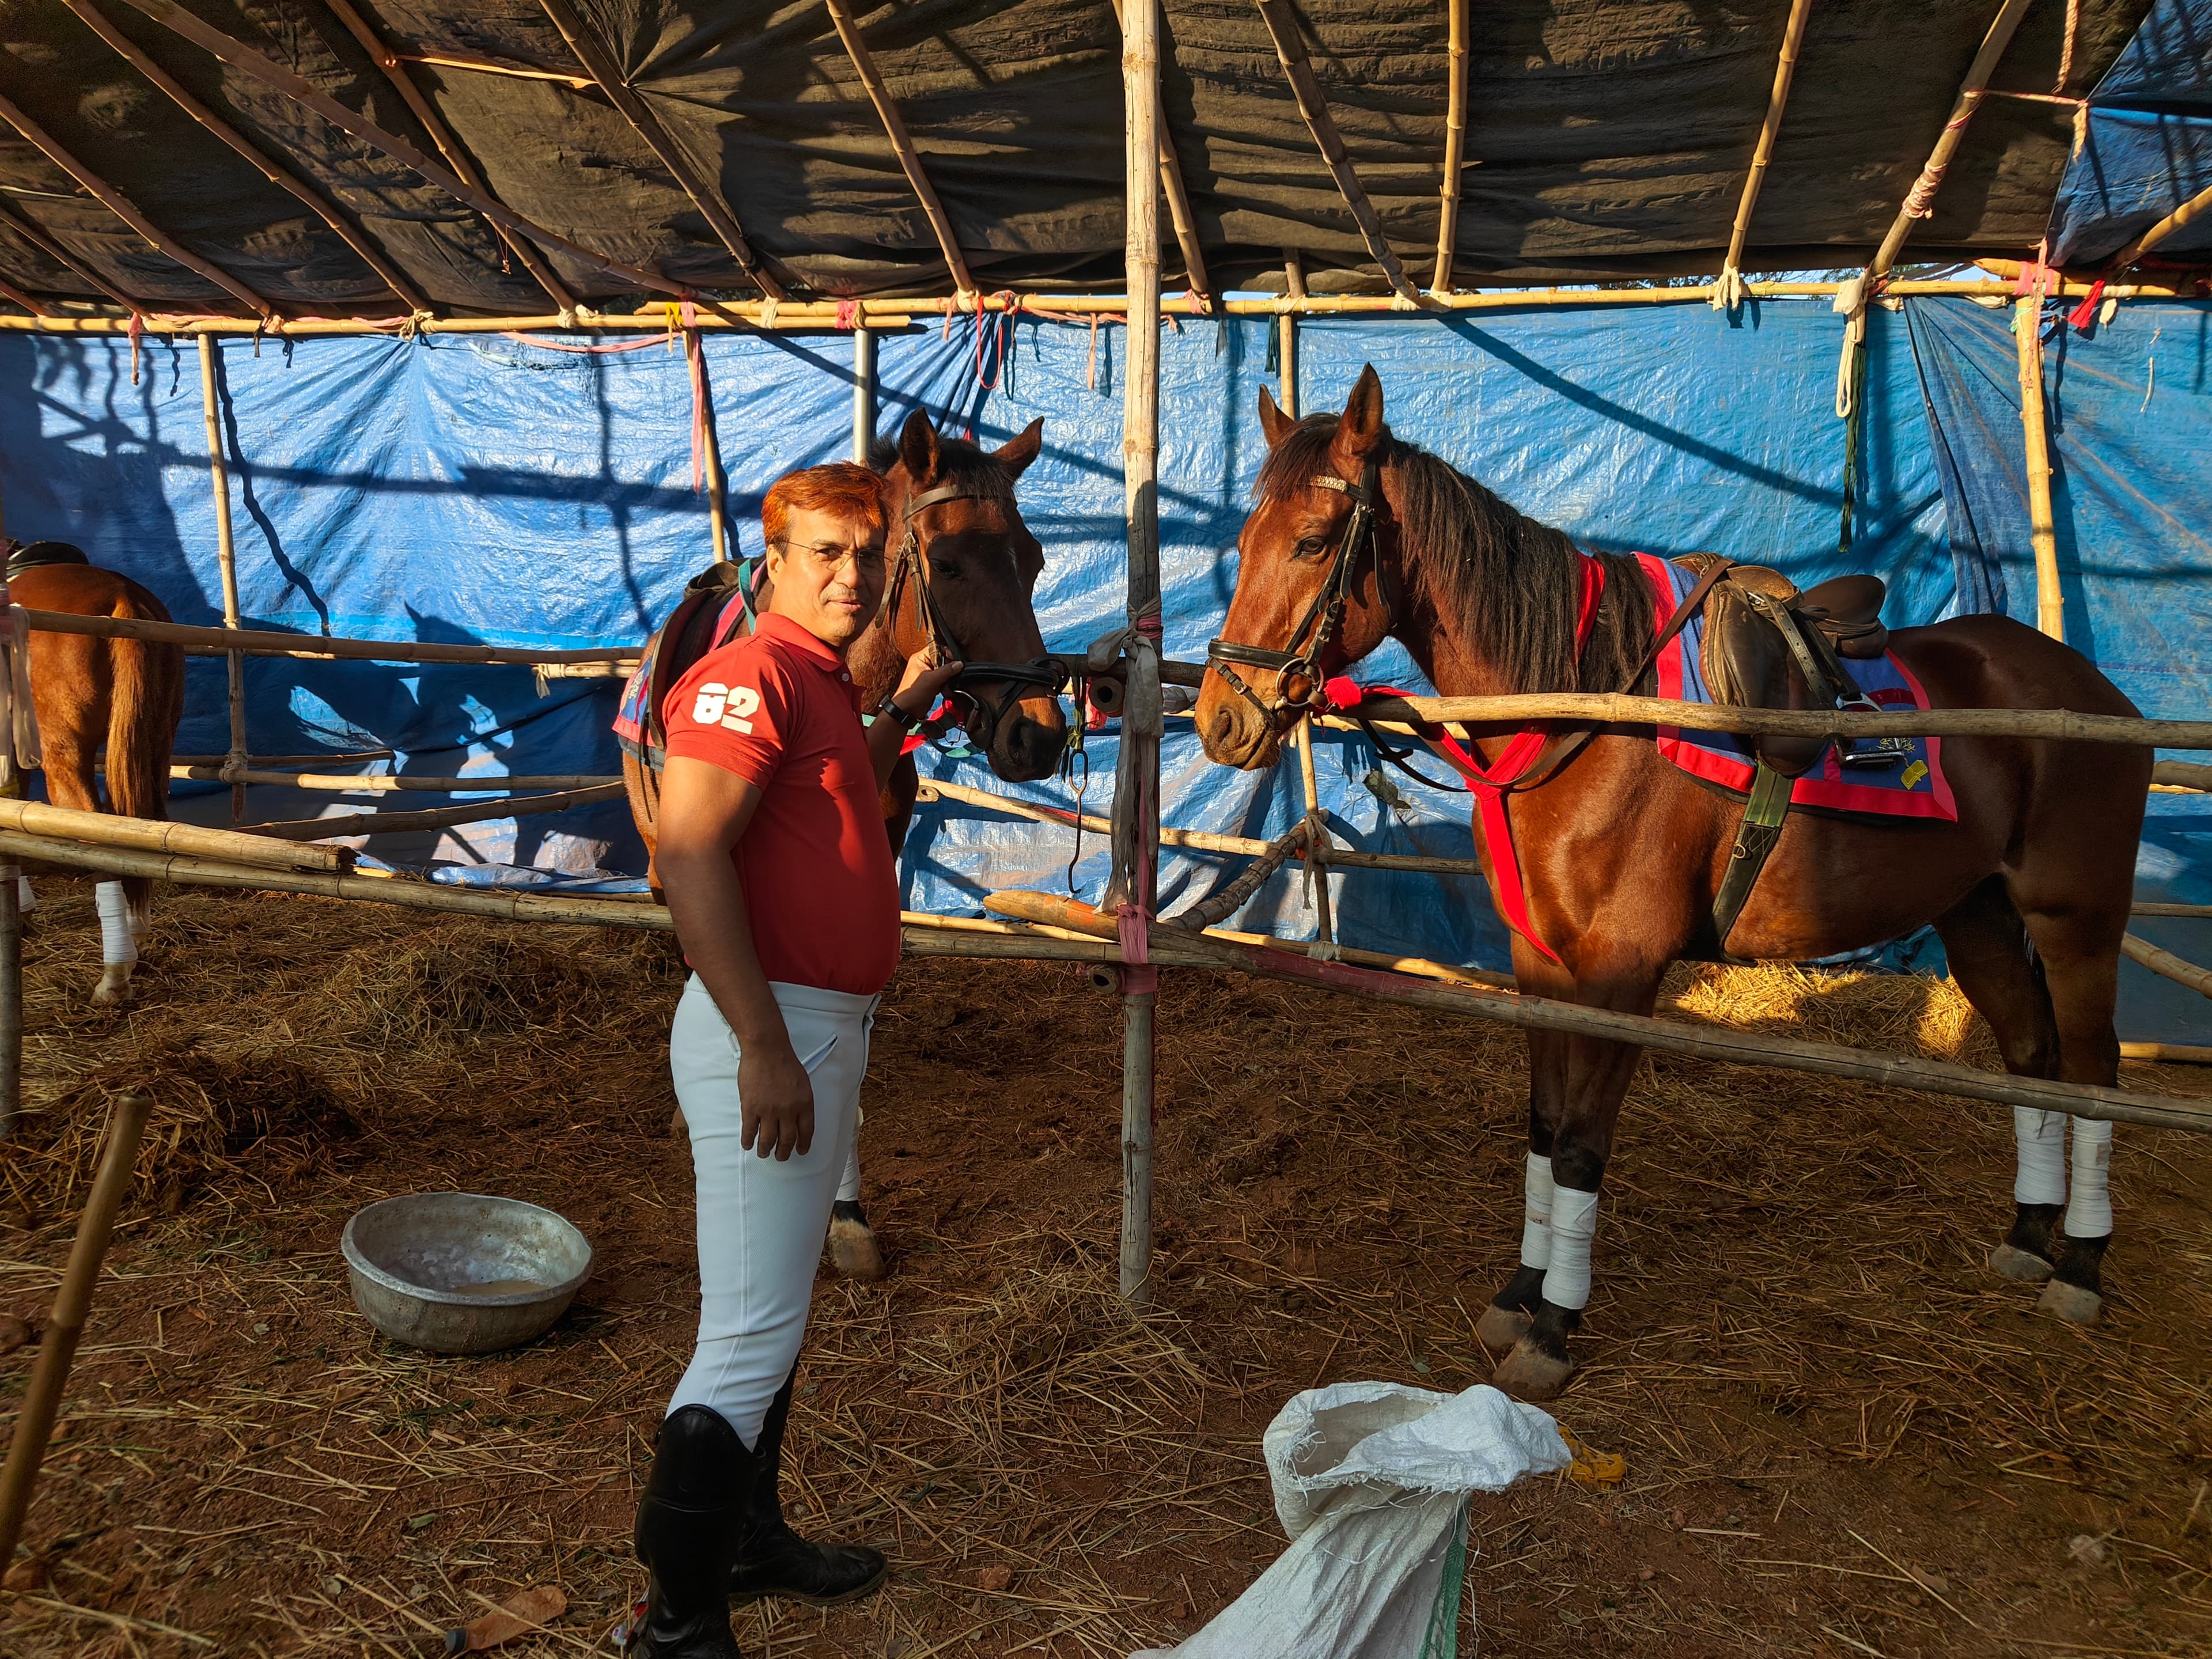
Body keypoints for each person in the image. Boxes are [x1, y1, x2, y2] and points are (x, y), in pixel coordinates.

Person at [626, 462, 960, 1659]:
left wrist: (904, 710)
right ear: (772, 561)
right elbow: (691, 856)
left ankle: (750, 1538)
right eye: (825, 552)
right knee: (750, 1332)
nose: (851, 576)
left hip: (819, 1026)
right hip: (770, 1030)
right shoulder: (749, 676)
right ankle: (678, 1621)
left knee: (776, 1313)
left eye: (869, 556)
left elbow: (834, 792)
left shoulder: (816, 684)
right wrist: (764, 1043)